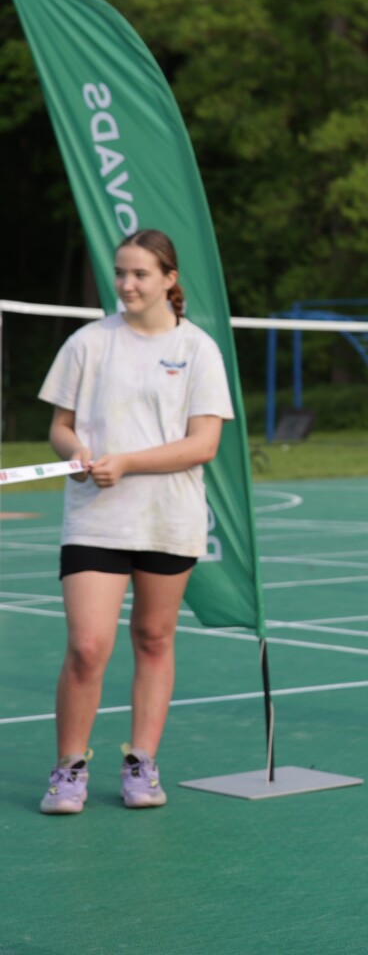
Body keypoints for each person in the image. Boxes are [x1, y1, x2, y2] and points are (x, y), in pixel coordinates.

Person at [36, 229, 233, 814]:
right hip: (95, 521)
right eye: (120, 272)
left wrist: (125, 462)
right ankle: (69, 768)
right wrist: (75, 453)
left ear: (170, 280)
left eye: (140, 274)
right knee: (87, 646)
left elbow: (203, 445)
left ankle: (141, 763)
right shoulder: (87, 343)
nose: (126, 284)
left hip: (169, 520)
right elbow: (60, 426)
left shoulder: (199, 349)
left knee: (153, 638)